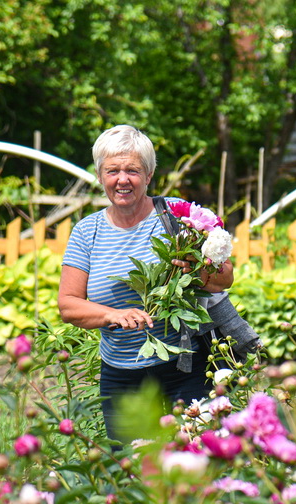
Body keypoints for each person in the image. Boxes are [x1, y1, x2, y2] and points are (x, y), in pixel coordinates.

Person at [58, 124, 234, 442]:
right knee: (131, 475)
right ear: (100, 176)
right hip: (122, 376)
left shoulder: (179, 217)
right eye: (113, 171)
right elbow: (68, 305)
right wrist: (113, 314)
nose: (122, 179)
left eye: (133, 170)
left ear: (149, 175)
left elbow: (224, 279)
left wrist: (196, 264)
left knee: (201, 460)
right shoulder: (87, 232)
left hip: (187, 368)